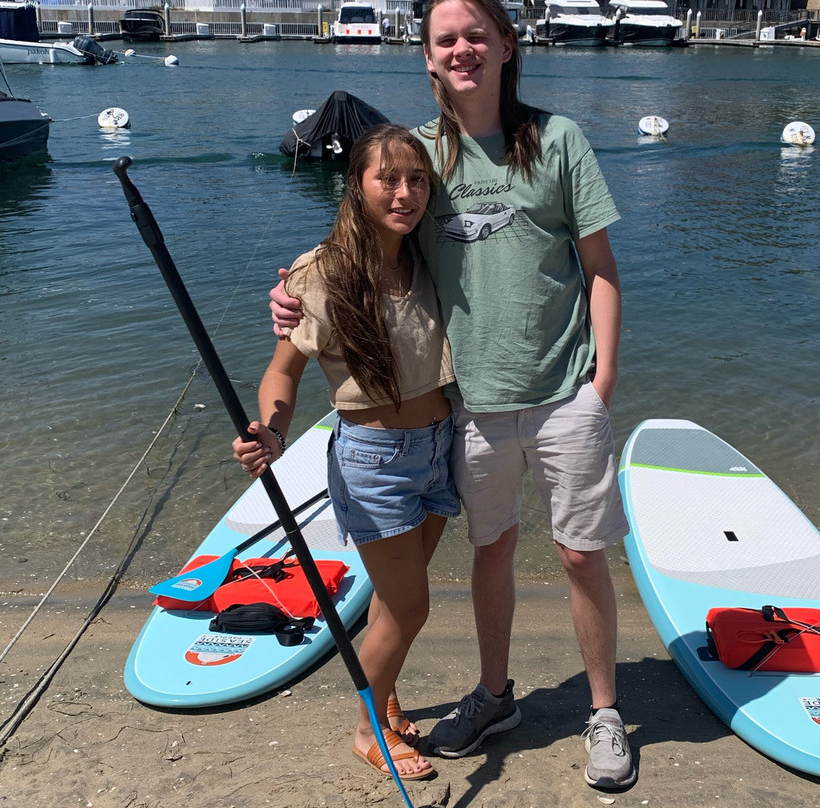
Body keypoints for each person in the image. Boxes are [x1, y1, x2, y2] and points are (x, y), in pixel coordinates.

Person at [270, 0, 634, 790]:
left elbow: (601, 268)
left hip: (566, 389)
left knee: (580, 553)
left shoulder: (558, 139)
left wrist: (601, 383)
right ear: (427, 57)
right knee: (490, 549)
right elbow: (366, 237)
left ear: (507, 43)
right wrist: (295, 294)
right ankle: (495, 695)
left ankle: (604, 711)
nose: (463, 48)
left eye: (477, 33)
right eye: (446, 39)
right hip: (467, 405)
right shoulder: (423, 157)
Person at [233, 123, 459, 782]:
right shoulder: (322, 272)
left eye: (417, 179)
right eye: (387, 178)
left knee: (395, 603)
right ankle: (366, 728)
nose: (405, 192)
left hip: (440, 447)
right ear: (356, 186)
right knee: (411, 605)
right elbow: (283, 374)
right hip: (375, 462)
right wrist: (271, 432)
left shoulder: (430, 256)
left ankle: (383, 695)